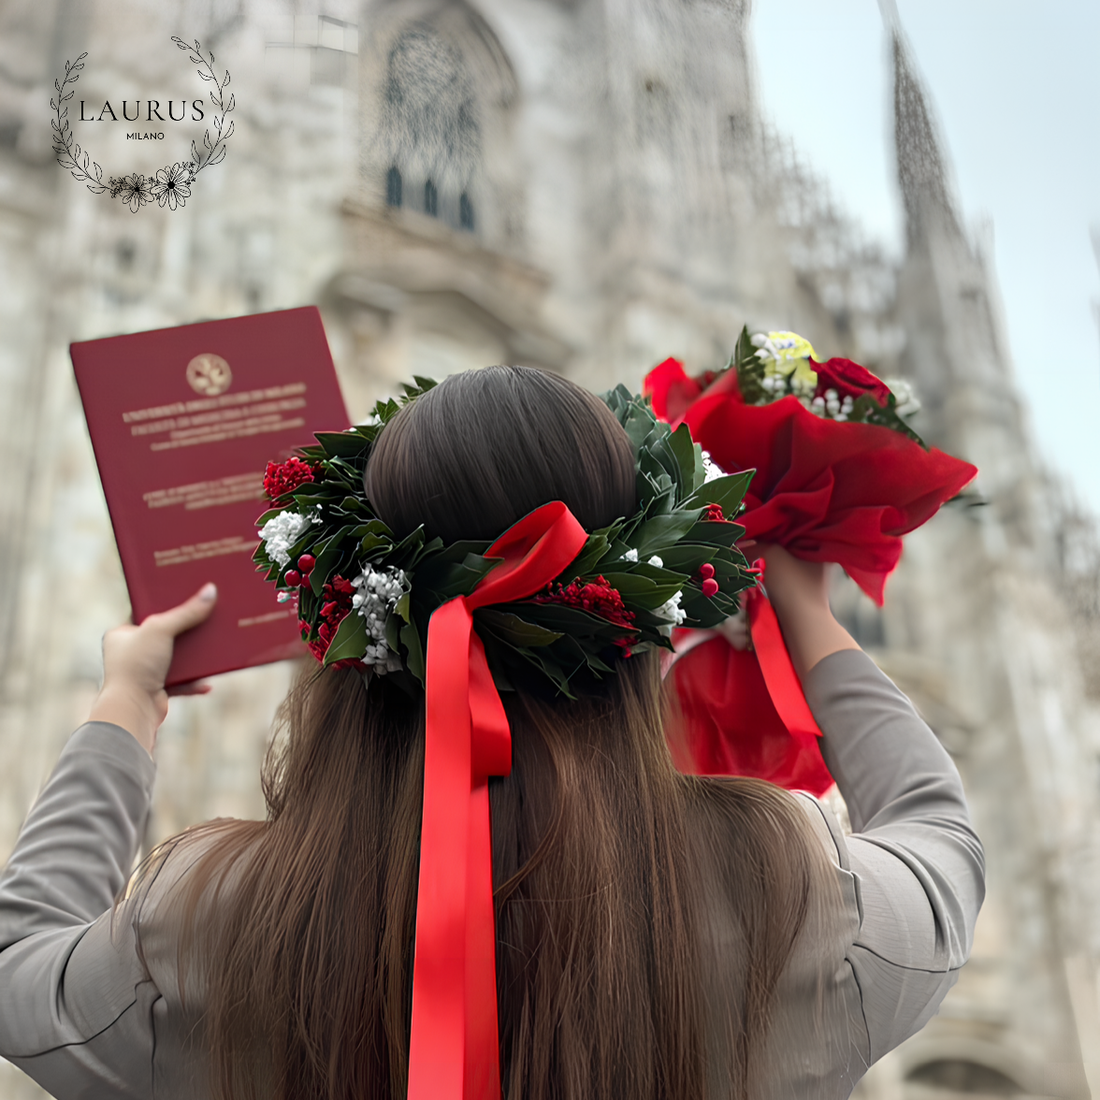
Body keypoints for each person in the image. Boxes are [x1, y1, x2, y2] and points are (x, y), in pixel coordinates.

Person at [0, 366, 984, 1100]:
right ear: (641, 625)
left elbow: (19, 962)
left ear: (356, 638)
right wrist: (803, 607)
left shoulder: (209, 918)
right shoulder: (788, 889)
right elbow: (937, 830)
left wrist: (127, 698)